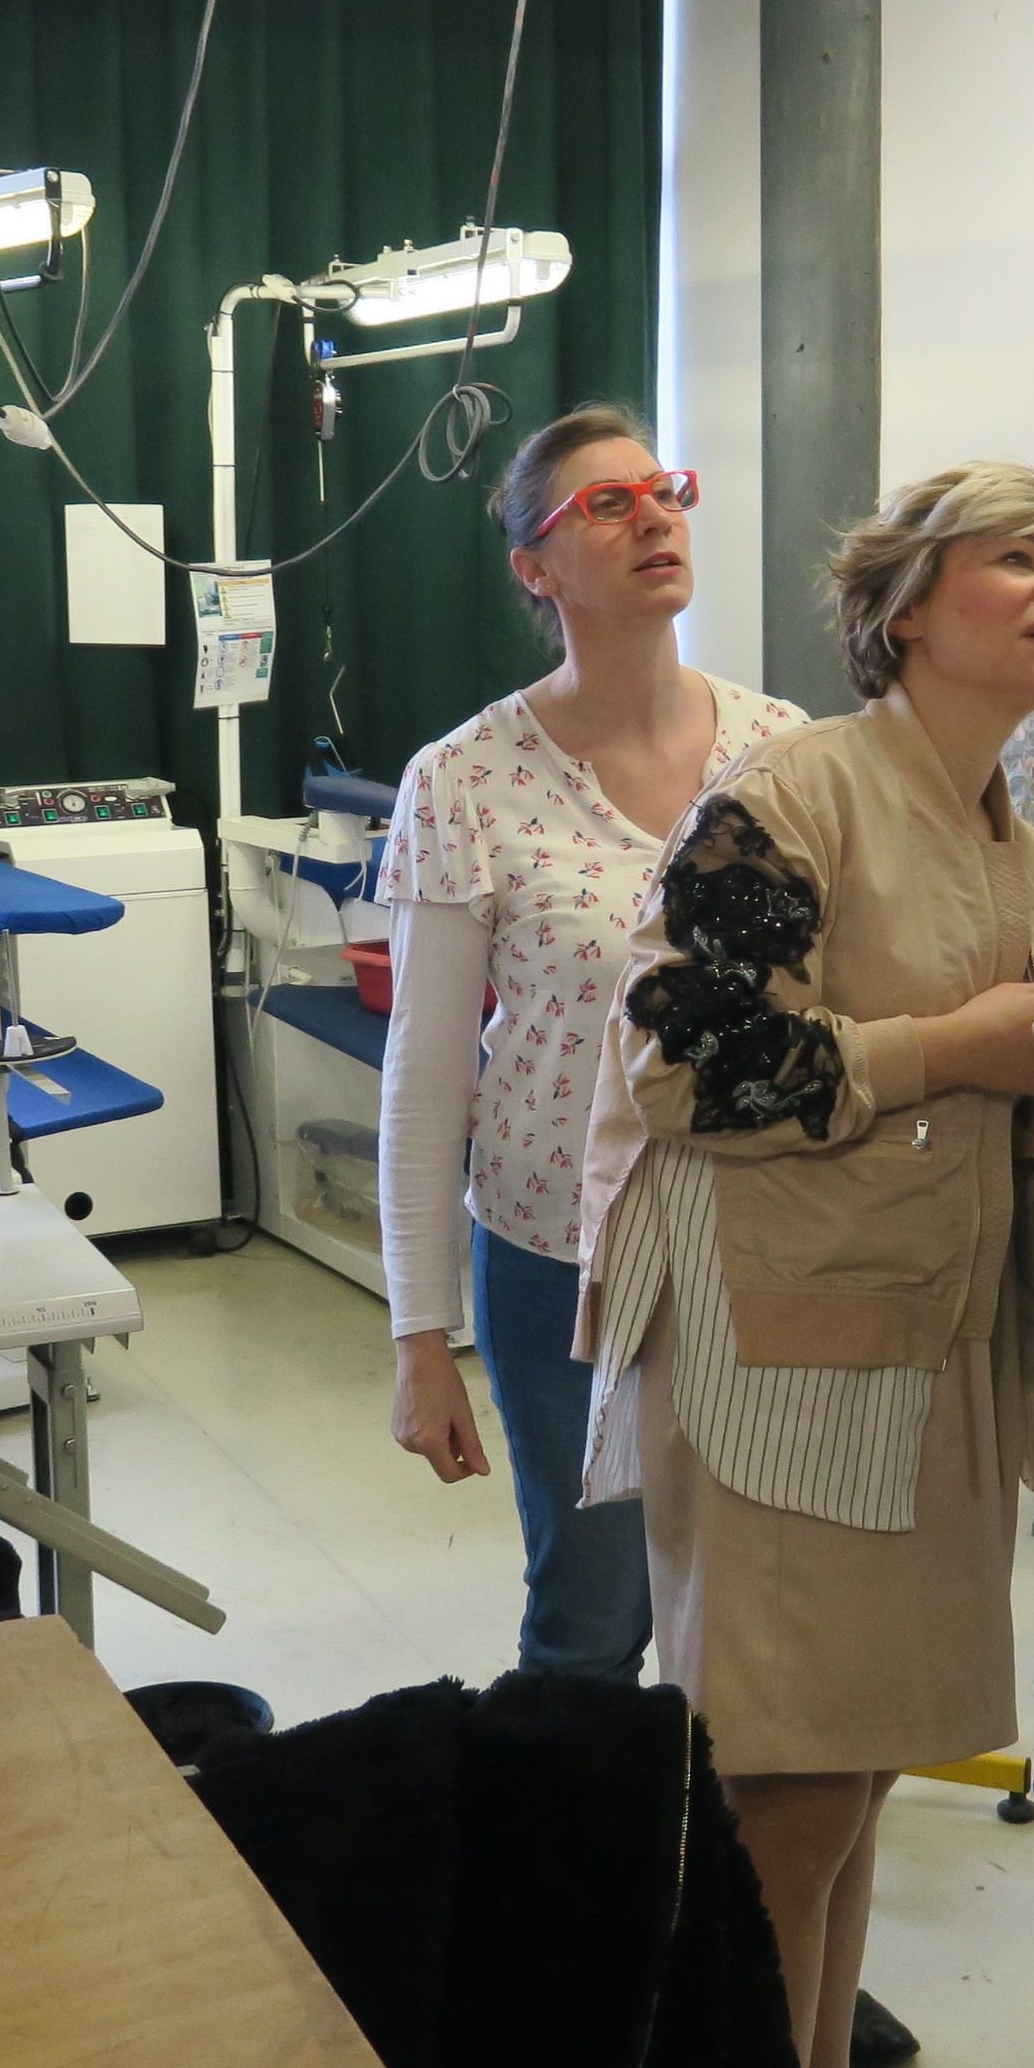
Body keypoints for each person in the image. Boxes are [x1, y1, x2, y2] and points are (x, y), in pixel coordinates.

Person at [570, 462, 1034, 2068]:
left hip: (928, 1353)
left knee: (854, 1776)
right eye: (1014, 561)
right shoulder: (792, 796)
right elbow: (688, 1073)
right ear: (906, 613)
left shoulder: (1015, 844)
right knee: (785, 1798)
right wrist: (945, 1046)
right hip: (776, 1357)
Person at [378, 407, 804, 1678]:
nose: (654, 516)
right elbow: (427, 1074)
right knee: (594, 1614)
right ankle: (573, 1869)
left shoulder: (782, 752)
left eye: (664, 490)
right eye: (605, 506)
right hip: (564, 1253)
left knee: (761, 1607)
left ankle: (729, 1867)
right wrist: (420, 1339)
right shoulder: (464, 782)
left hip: (762, 1236)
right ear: (537, 568)